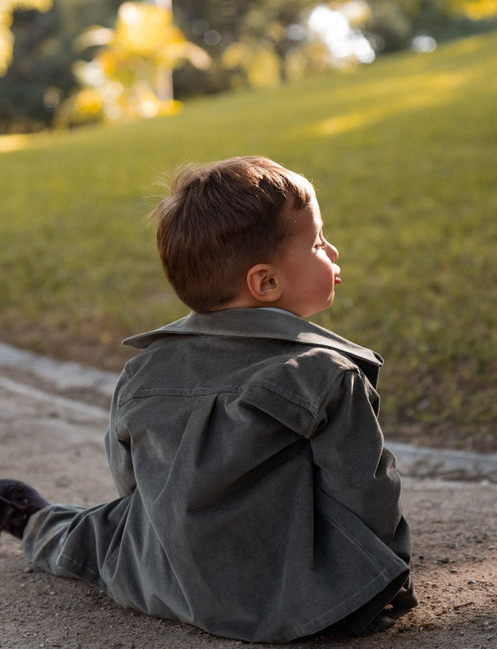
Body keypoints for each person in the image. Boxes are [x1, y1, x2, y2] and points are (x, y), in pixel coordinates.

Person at [0, 156, 417, 641]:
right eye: (319, 242)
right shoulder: (324, 374)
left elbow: (130, 479)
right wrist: (385, 576)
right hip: (304, 602)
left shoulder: (142, 370)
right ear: (265, 282)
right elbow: (367, 491)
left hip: (169, 583)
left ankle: (32, 522)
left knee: (102, 531)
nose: (332, 248)